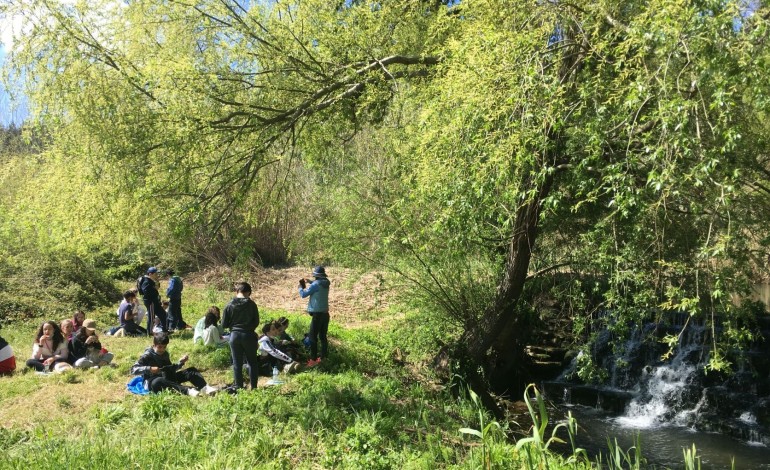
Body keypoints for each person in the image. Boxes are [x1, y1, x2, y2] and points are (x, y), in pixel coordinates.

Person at [131, 332, 216, 396]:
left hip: (167, 378)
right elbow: (133, 369)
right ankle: (186, 390)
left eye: (164, 347)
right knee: (158, 381)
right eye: (160, 347)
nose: (162, 349)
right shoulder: (147, 355)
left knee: (191, 370)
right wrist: (149, 369)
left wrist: (181, 362)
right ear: (154, 345)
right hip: (153, 382)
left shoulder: (165, 354)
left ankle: (204, 387)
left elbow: (169, 370)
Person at [221, 282, 260, 390]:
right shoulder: (252, 304)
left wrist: (233, 326)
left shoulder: (229, 305)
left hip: (234, 336)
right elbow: (256, 322)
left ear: (237, 291)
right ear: (248, 292)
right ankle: (254, 388)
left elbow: (224, 324)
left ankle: (238, 387)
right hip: (248, 335)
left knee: (237, 364)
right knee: (252, 362)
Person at [298, 266, 331, 367]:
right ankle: (324, 357)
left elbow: (303, 294)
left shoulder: (316, 284)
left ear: (316, 276)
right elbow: (317, 284)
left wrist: (300, 288)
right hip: (325, 314)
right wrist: (310, 282)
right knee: (322, 336)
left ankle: (313, 360)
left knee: (312, 337)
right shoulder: (326, 283)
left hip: (317, 315)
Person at [139, 267, 168, 334]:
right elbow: (146, 292)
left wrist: (156, 283)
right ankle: (149, 332)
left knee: (163, 314)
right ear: (150, 274)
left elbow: (156, 288)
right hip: (150, 302)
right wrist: (154, 289)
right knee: (151, 317)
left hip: (155, 301)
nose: (157, 275)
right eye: (155, 273)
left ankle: (165, 330)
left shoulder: (152, 281)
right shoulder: (146, 281)